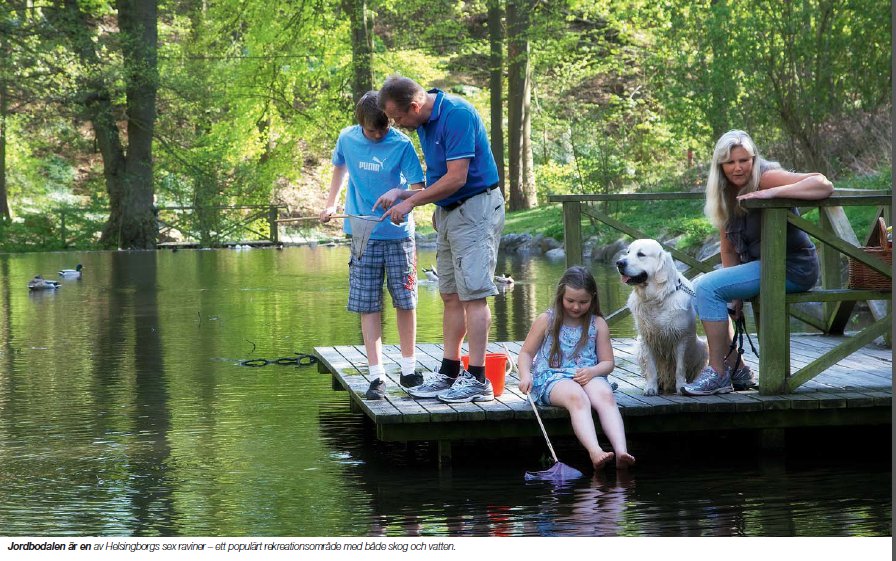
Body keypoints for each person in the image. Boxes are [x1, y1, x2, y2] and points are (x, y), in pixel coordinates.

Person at [375, 74, 504, 404]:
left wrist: (412, 202)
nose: (397, 124)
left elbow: (458, 177)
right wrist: (402, 192)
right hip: (448, 213)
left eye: (398, 118)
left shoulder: (457, 114)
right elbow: (438, 179)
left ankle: (477, 379)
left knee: (474, 295)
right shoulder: (423, 122)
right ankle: (449, 372)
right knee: (449, 295)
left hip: (476, 209)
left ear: (415, 106)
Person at [681, 129, 833, 396]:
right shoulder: (725, 194)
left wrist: (769, 194)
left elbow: (823, 184)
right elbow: (728, 250)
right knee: (699, 290)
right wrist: (735, 299)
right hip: (763, 267)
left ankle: (717, 373)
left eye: (744, 160)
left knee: (707, 287)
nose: (738, 167)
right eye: (730, 162)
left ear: (753, 158)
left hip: (792, 267)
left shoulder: (766, 177)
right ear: (720, 166)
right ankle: (737, 368)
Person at [320, 91, 426, 400]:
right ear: (361, 125)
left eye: (383, 128)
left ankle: (408, 370)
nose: (378, 134)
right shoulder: (347, 139)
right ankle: (377, 375)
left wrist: (398, 193)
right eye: (372, 130)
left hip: (398, 235)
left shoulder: (401, 144)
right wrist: (330, 204)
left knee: (406, 300)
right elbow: (339, 167)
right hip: (362, 233)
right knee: (368, 304)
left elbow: (419, 188)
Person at [517, 266, 635, 471]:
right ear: (561, 295)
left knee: (605, 395)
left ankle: (621, 452)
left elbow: (608, 363)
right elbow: (526, 353)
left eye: (583, 302)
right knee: (576, 397)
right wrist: (525, 375)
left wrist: (593, 372)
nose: (576, 307)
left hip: (588, 374)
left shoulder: (597, 323)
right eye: (570, 301)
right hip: (553, 378)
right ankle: (595, 451)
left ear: (593, 299)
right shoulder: (548, 320)